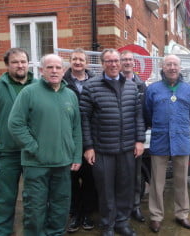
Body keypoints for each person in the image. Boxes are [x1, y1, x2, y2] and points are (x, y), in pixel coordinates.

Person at [8, 54, 82, 236]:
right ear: (41, 71)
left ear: (64, 71)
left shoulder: (70, 95)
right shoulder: (29, 93)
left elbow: (76, 128)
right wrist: (33, 147)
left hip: (63, 164)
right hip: (36, 165)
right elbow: (15, 124)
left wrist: (76, 155)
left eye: (58, 67)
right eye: (50, 67)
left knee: (60, 208)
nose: (54, 71)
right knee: (35, 210)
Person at [79, 48, 145, 236]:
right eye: (109, 61)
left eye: (116, 60)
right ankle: (107, 226)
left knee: (125, 188)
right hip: (102, 150)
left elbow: (138, 116)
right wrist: (88, 146)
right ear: (102, 64)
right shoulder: (91, 86)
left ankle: (122, 223)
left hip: (127, 149)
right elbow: (84, 119)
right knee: (106, 190)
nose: (114, 64)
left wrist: (140, 140)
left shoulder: (132, 86)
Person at [0, 48, 37, 236]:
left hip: (32, 151)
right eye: (15, 62)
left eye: (23, 61)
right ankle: (2, 231)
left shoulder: (38, 86)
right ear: (7, 65)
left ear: (28, 63)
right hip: (7, 152)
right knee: (4, 197)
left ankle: (31, 230)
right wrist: (2, 130)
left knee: (33, 197)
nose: (20, 65)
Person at [144, 54, 190, 233]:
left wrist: (178, 128)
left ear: (180, 67)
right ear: (163, 67)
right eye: (169, 64)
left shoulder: (189, 90)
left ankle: (182, 214)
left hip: (181, 140)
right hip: (160, 140)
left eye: (175, 64)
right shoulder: (152, 89)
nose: (172, 68)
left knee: (181, 181)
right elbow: (147, 113)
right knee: (157, 182)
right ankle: (155, 216)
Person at [63, 48, 97, 233]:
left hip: (91, 139)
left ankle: (87, 214)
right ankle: (75, 213)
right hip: (69, 140)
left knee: (90, 179)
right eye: (74, 59)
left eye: (81, 59)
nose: (78, 62)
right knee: (72, 179)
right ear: (70, 61)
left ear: (86, 62)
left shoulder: (95, 82)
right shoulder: (62, 81)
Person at [120, 50, 147, 223]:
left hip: (134, 138)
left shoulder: (141, 85)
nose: (127, 62)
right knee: (119, 177)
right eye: (124, 59)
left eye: (130, 59)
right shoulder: (114, 82)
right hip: (116, 138)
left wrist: (140, 138)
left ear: (134, 63)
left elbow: (144, 114)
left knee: (136, 176)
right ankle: (120, 209)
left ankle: (135, 207)